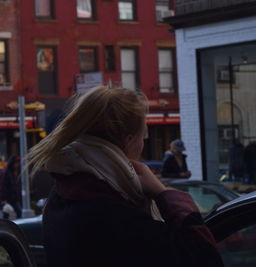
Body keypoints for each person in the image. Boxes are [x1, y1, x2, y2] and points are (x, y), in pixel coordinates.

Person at [26, 86, 223, 267]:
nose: (143, 145)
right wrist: (163, 193)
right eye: (143, 136)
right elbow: (204, 256)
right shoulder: (115, 215)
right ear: (129, 141)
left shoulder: (62, 196)